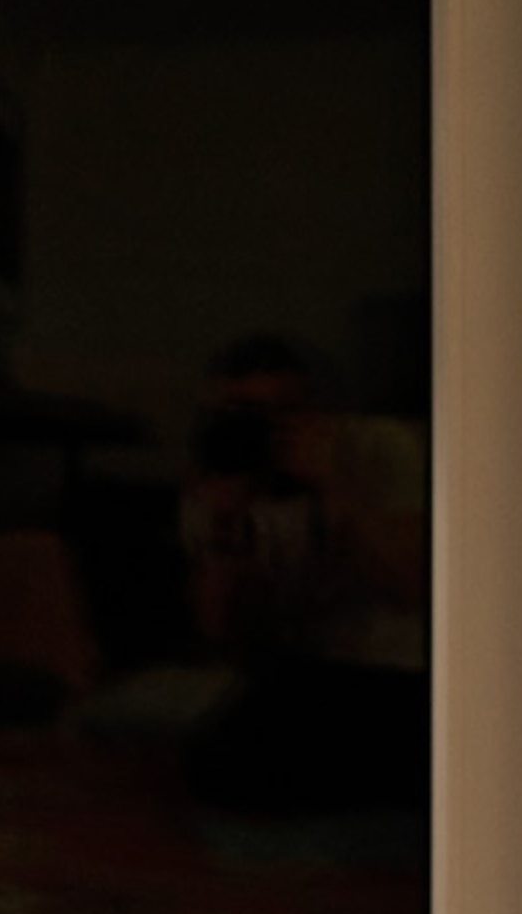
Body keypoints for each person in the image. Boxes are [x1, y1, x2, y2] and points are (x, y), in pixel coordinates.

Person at [175, 334, 428, 813]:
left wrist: (330, 486)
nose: (262, 430)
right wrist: (226, 527)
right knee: (214, 766)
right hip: (302, 672)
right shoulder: (222, 467)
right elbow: (224, 634)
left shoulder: (377, 449)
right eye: (240, 412)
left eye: (283, 413)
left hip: (396, 673)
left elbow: (410, 587)